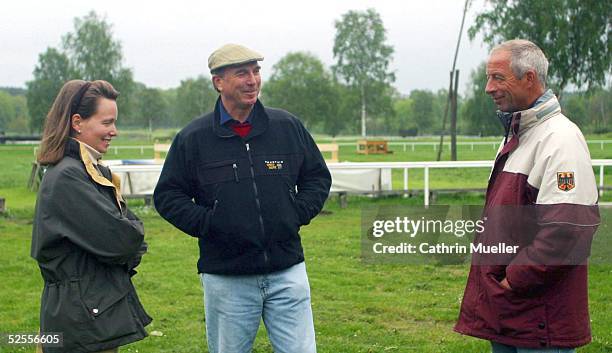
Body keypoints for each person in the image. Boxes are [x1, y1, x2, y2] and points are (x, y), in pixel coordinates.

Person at [154, 43, 331, 353]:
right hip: (227, 278)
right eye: (241, 73)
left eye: (256, 71)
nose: (252, 80)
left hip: (287, 271)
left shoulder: (286, 127)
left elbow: (317, 177)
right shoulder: (194, 138)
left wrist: (295, 213)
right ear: (218, 82)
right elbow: (168, 196)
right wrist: (211, 223)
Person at [454, 39, 600, 353]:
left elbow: (567, 231)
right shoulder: (521, 134)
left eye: (497, 77)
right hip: (511, 312)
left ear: (529, 78)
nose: (487, 88)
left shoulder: (560, 140)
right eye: (488, 77)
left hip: (539, 319)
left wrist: (512, 280)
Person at [31, 80, 151, 353]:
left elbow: (124, 238)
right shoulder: (68, 176)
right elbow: (125, 241)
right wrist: (131, 233)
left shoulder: (87, 170)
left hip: (90, 311)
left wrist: (128, 234)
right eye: (107, 122)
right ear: (77, 122)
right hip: (80, 319)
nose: (114, 131)